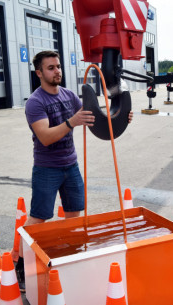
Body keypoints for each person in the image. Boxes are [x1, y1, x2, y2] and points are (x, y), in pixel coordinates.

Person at [16, 50, 132, 291]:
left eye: (58, 66)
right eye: (50, 68)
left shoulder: (69, 96)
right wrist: (71, 122)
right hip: (47, 168)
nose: (57, 71)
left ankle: (68, 260)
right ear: (39, 73)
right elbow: (46, 137)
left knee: (73, 216)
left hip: (71, 166)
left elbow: (94, 119)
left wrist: (119, 116)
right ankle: (19, 263)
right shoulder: (35, 102)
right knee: (38, 219)